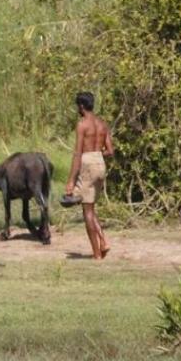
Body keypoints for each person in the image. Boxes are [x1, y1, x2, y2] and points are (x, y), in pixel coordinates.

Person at [65, 91, 114, 260]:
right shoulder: (102, 124)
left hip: (87, 162)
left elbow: (78, 153)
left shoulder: (82, 125)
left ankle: (96, 254)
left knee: (87, 211)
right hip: (100, 162)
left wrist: (71, 180)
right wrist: (97, 154)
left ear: (81, 106)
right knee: (91, 207)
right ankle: (103, 241)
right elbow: (110, 150)